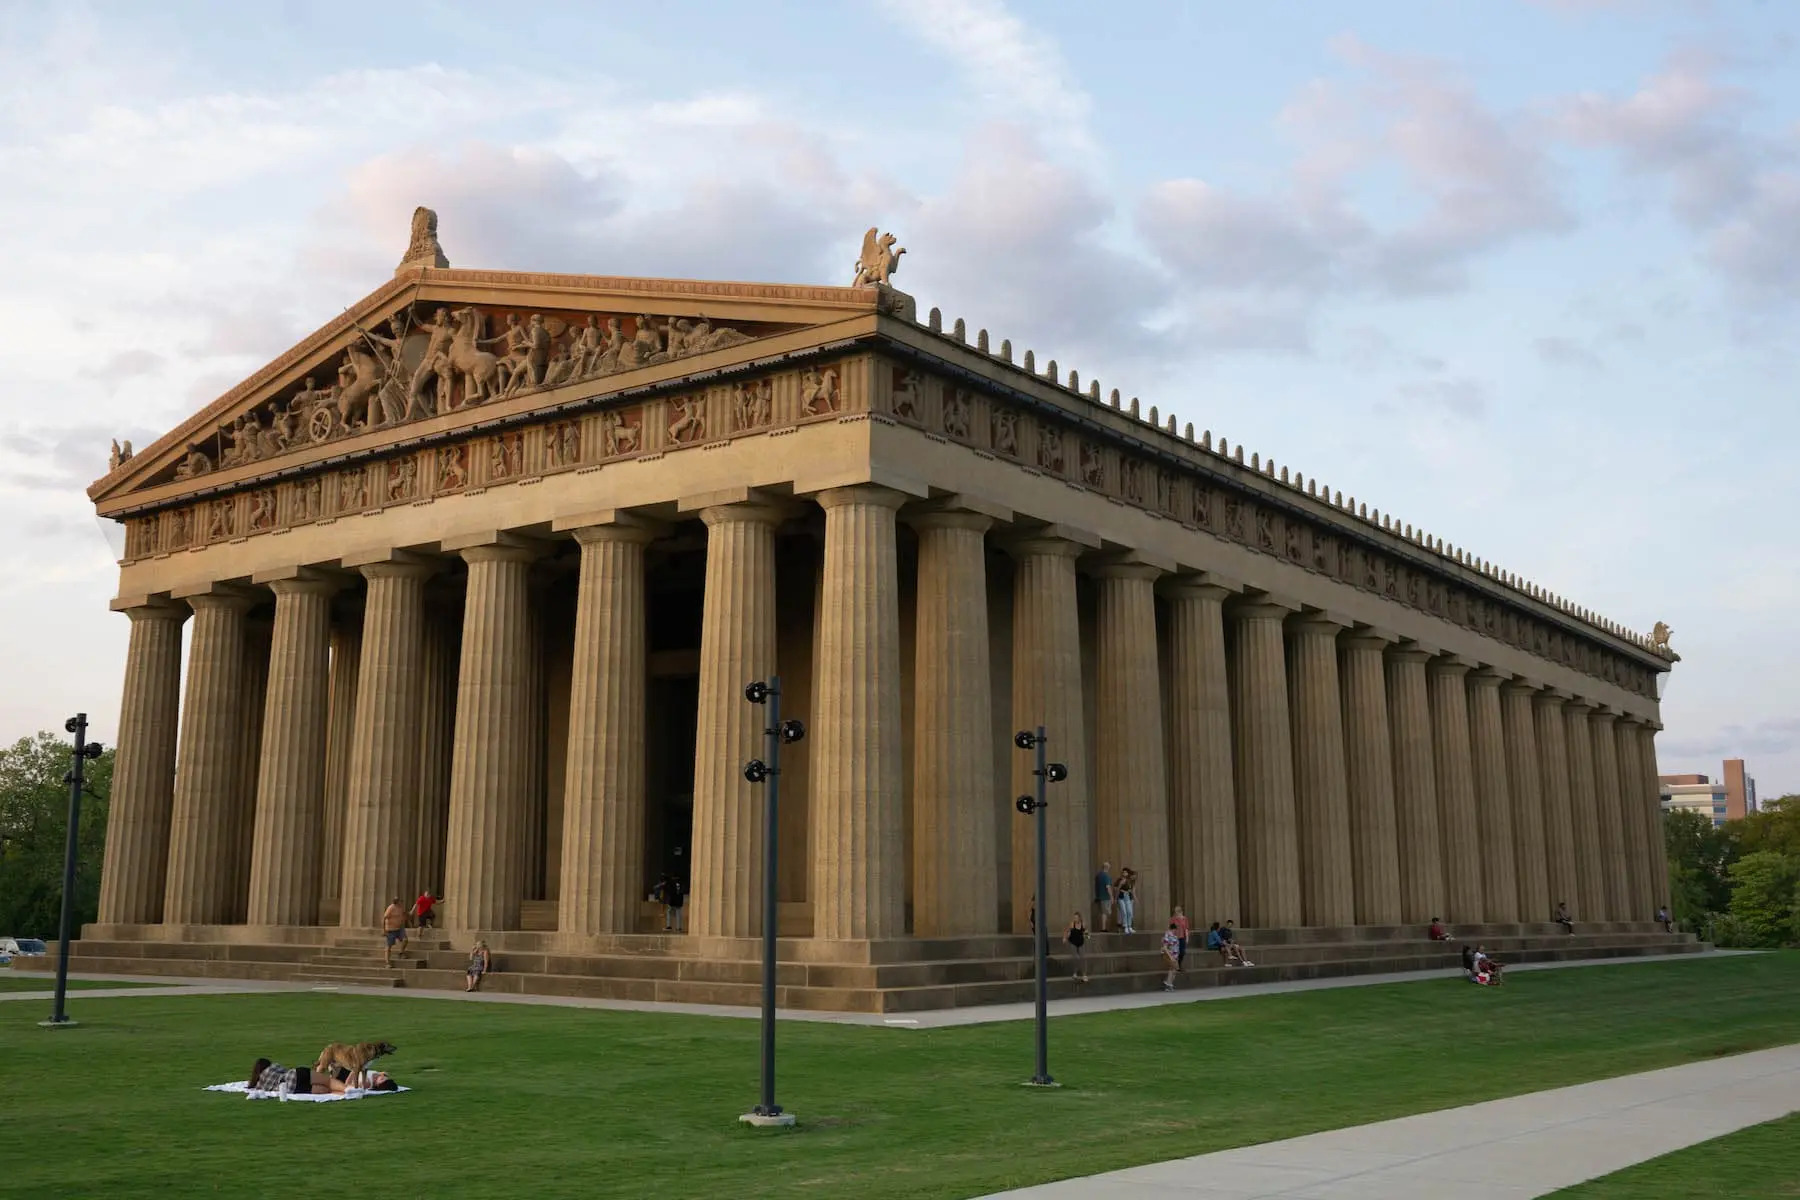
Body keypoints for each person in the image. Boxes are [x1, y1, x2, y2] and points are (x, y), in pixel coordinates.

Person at [382, 897, 409, 966]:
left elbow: (404, 914)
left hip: (399, 928)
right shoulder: (391, 908)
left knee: (405, 940)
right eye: (400, 901)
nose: (402, 902)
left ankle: (401, 952)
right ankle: (387, 962)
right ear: (397, 902)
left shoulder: (401, 908)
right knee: (389, 946)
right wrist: (384, 930)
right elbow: (384, 918)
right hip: (391, 929)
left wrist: (407, 919)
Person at [1065, 912, 1089, 983]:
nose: (1075, 919)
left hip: (1081, 942)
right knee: (1076, 958)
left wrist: (1087, 936)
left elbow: (1086, 934)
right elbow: (1068, 932)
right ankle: (1075, 973)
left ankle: (1084, 975)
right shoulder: (1072, 924)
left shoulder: (1083, 924)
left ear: (1079, 918)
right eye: (1074, 917)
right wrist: (1065, 938)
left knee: (1083, 958)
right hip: (1073, 943)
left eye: (1076, 917)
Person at [1115, 867, 1137, 934]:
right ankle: (1125, 926)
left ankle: (1129, 926)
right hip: (1121, 897)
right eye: (1123, 872)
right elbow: (1117, 889)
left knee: (1129, 912)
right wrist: (1120, 884)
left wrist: (1134, 897)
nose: (1124, 873)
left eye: (1125, 872)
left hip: (1127, 897)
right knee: (1124, 912)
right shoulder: (1119, 880)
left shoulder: (1129, 881)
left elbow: (1132, 890)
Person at [1093, 861, 1114, 932]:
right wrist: (1111, 897)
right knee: (1105, 913)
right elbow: (1108, 887)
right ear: (1107, 867)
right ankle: (1103, 928)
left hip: (1099, 897)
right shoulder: (1106, 876)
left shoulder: (1098, 875)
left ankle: (1102, 927)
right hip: (1105, 897)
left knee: (1102, 912)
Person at [1160, 922, 1181, 991]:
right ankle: (1168, 984)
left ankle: (1168, 983)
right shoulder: (1168, 935)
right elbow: (1165, 947)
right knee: (1172, 968)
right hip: (1170, 954)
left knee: (1174, 969)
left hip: (1175, 954)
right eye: (1175, 929)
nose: (1176, 931)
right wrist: (1170, 956)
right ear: (1173, 929)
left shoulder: (1174, 936)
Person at [1171, 906, 1191, 972]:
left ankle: (1179, 964)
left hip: (1182, 937)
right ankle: (1176, 967)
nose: (1177, 913)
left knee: (1182, 952)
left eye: (1178, 911)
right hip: (1175, 938)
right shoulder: (1173, 919)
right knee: (1175, 952)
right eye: (1176, 911)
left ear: (1181, 911)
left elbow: (1186, 929)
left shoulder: (1185, 919)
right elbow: (1171, 929)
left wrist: (1187, 938)